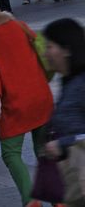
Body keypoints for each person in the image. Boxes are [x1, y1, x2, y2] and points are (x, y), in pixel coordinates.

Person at [0, 0, 53, 205]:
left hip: (13, 102)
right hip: (40, 95)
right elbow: (41, 48)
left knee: (11, 152)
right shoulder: (19, 25)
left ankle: (31, 199)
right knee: (44, 149)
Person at [43, 18, 85, 205]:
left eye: (50, 46)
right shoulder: (68, 81)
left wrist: (63, 144)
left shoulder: (81, 84)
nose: (45, 53)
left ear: (66, 50)